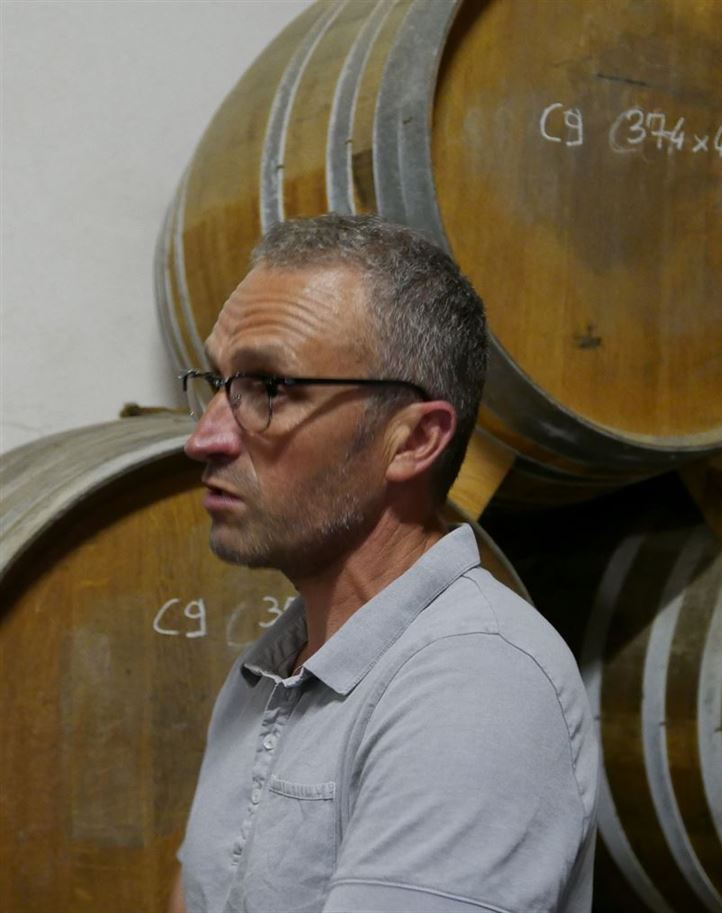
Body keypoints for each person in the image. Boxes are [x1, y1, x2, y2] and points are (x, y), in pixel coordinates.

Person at [168, 213, 599, 913]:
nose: (205, 436)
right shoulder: (268, 670)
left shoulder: (474, 684)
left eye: (269, 388)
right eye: (217, 383)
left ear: (413, 440)